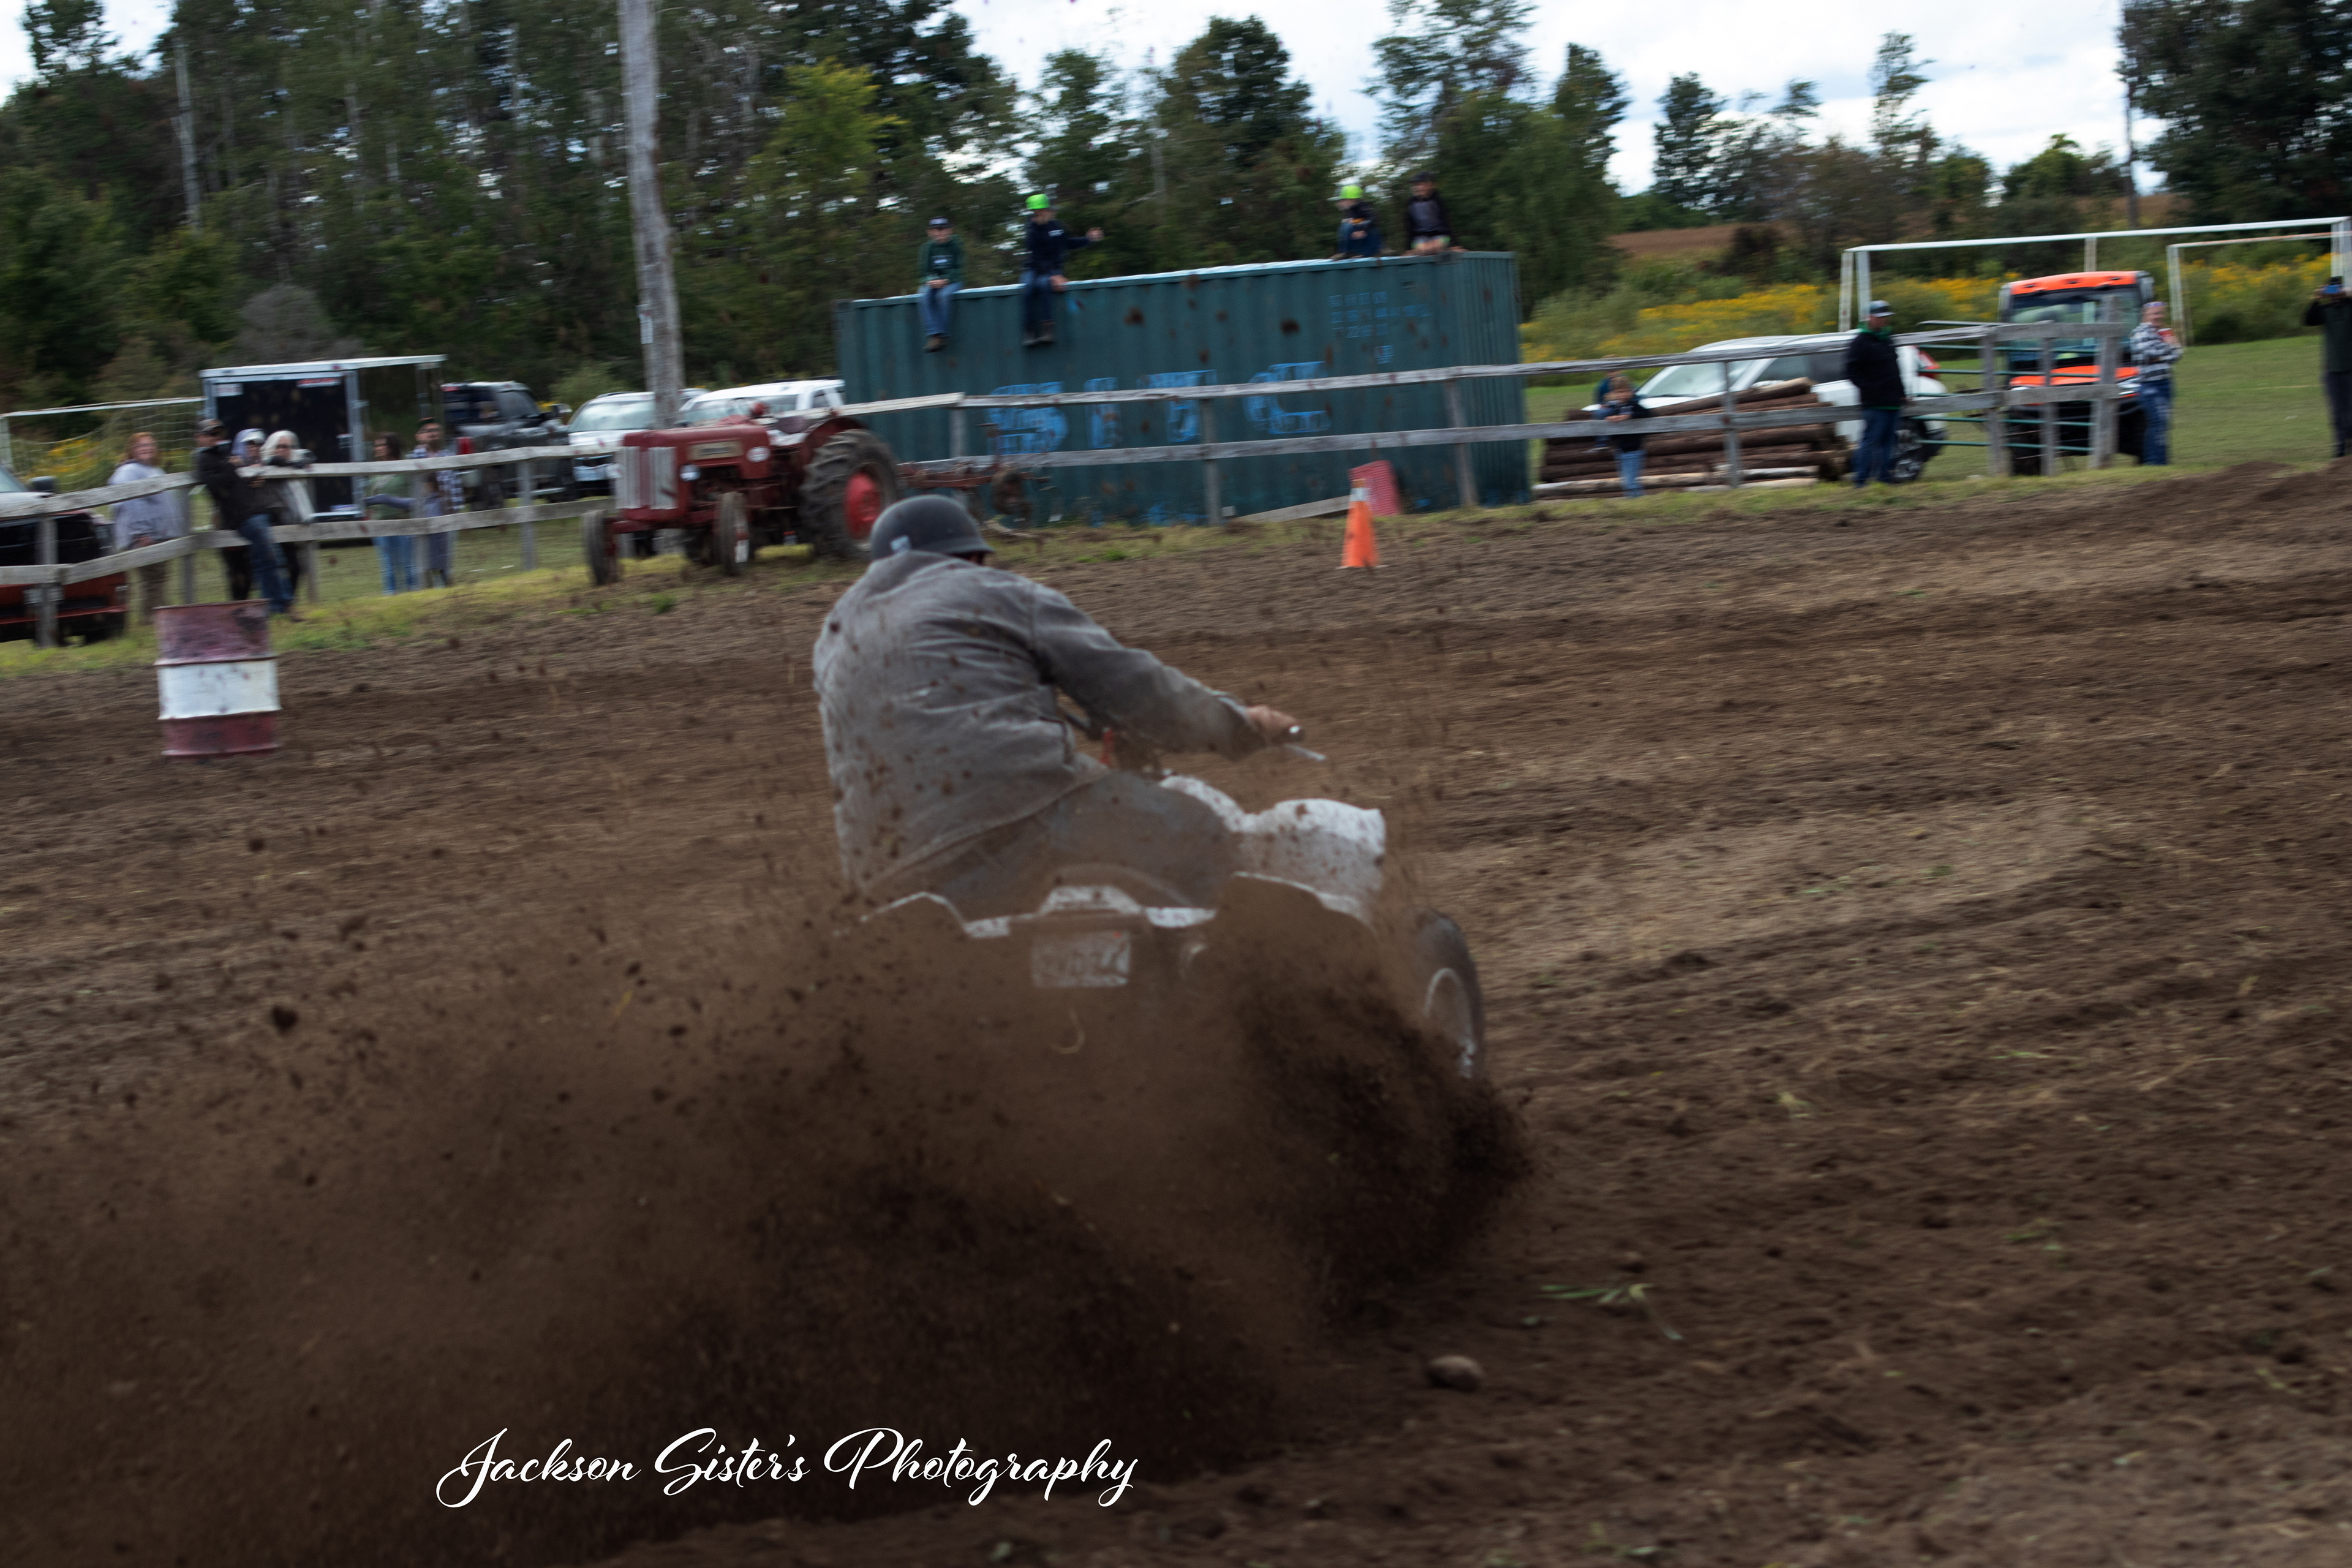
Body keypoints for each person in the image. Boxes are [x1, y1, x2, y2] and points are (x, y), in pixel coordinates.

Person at [812, 494, 1297, 916]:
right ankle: (1230, 977)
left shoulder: (835, 635)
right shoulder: (990, 591)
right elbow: (1134, 687)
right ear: (972, 557)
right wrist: (1240, 723)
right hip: (1016, 826)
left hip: (887, 879)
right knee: (1199, 831)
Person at [191, 417, 298, 617]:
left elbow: (239, 477)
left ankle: (275, 605)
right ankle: (282, 603)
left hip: (254, 512)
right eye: (210, 434)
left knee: (267, 558)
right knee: (270, 557)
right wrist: (232, 468)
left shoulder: (223, 454)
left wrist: (258, 474)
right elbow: (213, 485)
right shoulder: (204, 459)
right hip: (240, 516)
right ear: (199, 437)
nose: (215, 437)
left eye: (217, 433)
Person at [106, 431, 184, 625]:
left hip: (160, 535)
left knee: (159, 578)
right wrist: (141, 533)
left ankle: (159, 619)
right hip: (145, 536)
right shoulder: (128, 472)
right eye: (142, 445)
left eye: (150, 444)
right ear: (132, 450)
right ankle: (152, 621)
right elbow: (132, 505)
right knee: (152, 579)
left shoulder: (155, 470)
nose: (147, 448)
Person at [1019, 194, 1102, 349]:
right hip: (1035, 267)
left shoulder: (1057, 227)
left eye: (1045, 211)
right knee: (1029, 288)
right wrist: (1054, 275)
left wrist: (1088, 239)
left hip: (1052, 269)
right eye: (1036, 212)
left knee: (1045, 285)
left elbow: (1068, 243)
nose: (1041, 214)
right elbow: (1037, 257)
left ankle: (1048, 329)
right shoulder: (1032, 230)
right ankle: (1029, 331)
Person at [1844, 300, 1905, 487]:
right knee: (1870, 441)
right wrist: (1870, 388)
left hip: (1892, 401)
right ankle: (1861, 480)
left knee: (1889, 441)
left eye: (1886, 317)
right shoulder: (1860, 342)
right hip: (1874, 403)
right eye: (1880, 317)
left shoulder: (1888, 339)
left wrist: (1901, 393)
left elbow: (1895, 369)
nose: (1884, 320)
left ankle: (1884, 476)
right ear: (1870, 318)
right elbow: (1851, 372)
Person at [361, 433, 419, 593]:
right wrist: (369, 518)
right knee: (388, 565)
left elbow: (415, 495)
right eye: (376, 445)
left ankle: (413, 593)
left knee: (408, 564)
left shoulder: (405, 467)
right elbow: (368, 496)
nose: (377, 448)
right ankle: (391, 594)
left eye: (382, 445)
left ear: (392, 447)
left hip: (402, 523)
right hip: (380, 525)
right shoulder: (374, 470)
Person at [2303, 276, 2352, 458]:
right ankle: (2340, 447)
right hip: (2332, 371)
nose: (2335, 294)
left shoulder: (2349, 308)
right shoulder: (2324, 311)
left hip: (2350, 369)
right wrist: (2317, 299)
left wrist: (2348, 297)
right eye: (2331, 290)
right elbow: (2309, 320)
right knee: (2337, 413)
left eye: (2337, 290)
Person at [412, 419, 464, 588]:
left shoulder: (449, 456)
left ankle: (448, 591)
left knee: (447, 559)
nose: (432, 433)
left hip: (448, 513)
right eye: (427, 431)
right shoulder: (414, 457)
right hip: (424, 515)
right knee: (426, 559)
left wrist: (456, 511)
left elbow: (455, 485)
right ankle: (430, 591)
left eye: (435, 430)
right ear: (419, 436)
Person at [2128, 299, 2182, 466]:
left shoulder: (2164, 332)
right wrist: (2167, 348)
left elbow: (2178, 354)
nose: (2158, 316)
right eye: (2154, 314)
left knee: (2163, 424)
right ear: (2146, 315)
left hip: (2165, 383)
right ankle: (2155, 462)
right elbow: (2149, 352)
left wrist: (2161, 354)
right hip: (2150, 385)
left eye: (2160, 313)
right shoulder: (2140, 332)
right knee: (2157, 422)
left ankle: (2159, 462)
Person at [1597, 374, 1651, 497]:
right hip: (1621, 450)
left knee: (1631, 482)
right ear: (1614, 394)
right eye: (1619, 392)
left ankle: (1638, 500)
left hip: (1634, 449)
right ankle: (1633, 500)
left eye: (1625, 391)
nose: (1622, 395)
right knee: (1626, 481)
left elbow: (1648, 413)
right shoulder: (1616, 408)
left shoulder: (1634, 405)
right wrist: (1611, 420)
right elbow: (1613, 431)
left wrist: (1630, 416)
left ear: (1630, 392)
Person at [916, 217, 963, 352]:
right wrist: (932, 280)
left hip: (952, 281)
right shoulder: (927, 248)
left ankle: (943, 335)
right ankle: (934, 335)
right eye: (936, 230)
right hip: (934, 281)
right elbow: (924, 271)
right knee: (923, 296)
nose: (939, 233)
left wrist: (945, 280)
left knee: (943, 296)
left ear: (949, 230)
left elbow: (959, 269)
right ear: (930, 232)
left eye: (943, 229)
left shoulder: (956, 245)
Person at [1404, 172, 1458, 255]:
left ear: (1431, 185)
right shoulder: (1411, 203)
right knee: (1423, 249)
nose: (1419, 188)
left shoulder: (1438, 201)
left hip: (1441, 236)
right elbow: (1410, 227)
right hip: (1420, 238)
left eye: (1422, 185)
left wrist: (1456, 244)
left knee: (1435, 247)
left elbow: (1447, 223)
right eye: (1416, 185)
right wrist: (1408, 248)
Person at [1332, 184, 1382, 259]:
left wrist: (1363, 230)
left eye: (1343, 200)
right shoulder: (1349, 212)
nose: (1341, 203)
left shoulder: (1363, 208)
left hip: (1370, 241)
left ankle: (1378, 250)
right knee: (1345, 225)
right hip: (1359, 244)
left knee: (1348, 226)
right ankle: (1347, 252)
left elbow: (1374, 219)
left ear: (1352, 199)